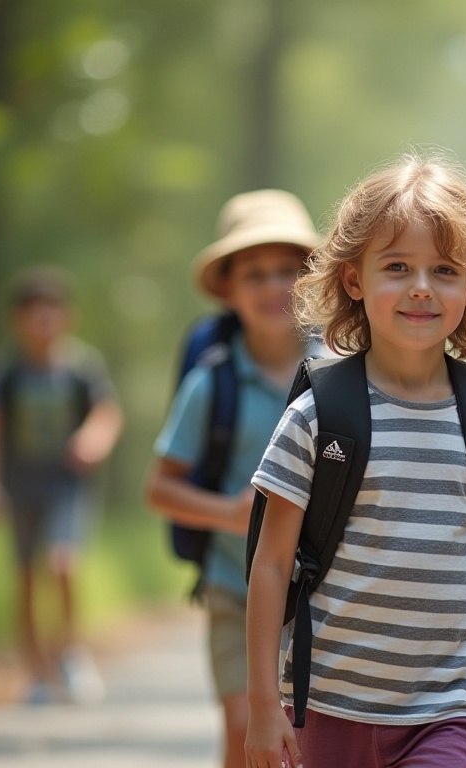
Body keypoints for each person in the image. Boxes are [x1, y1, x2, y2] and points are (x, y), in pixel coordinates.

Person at [245, 152, 466, 768]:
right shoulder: (317, 416)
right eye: (396, 267)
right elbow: (272, 562)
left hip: (446, 711)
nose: (421, 287)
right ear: (354, 280)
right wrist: (262, 704)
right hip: (326, 707)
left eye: (444, 270)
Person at [144, 189, 321, 768]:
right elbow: (159, 487)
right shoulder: (212, 383)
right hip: (234, 586)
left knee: (313, 739)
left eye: (288, 271)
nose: (274, 287)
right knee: (248, 728)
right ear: (228, 289)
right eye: (255, 275)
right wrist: (231, 513)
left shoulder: (342, 371)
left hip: (323, 593)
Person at [0, 266, 123, 705]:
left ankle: (69, 654)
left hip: (67, 485)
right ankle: (36, 672)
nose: (44, 322)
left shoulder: (82, 368)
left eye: (52, 312)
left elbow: (107, 412)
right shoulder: (4, 372)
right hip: (20, 485)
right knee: (24, 578)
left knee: (62, 564)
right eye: (34, 314)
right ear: (17, 320)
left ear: (67, 317)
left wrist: (93, 439)